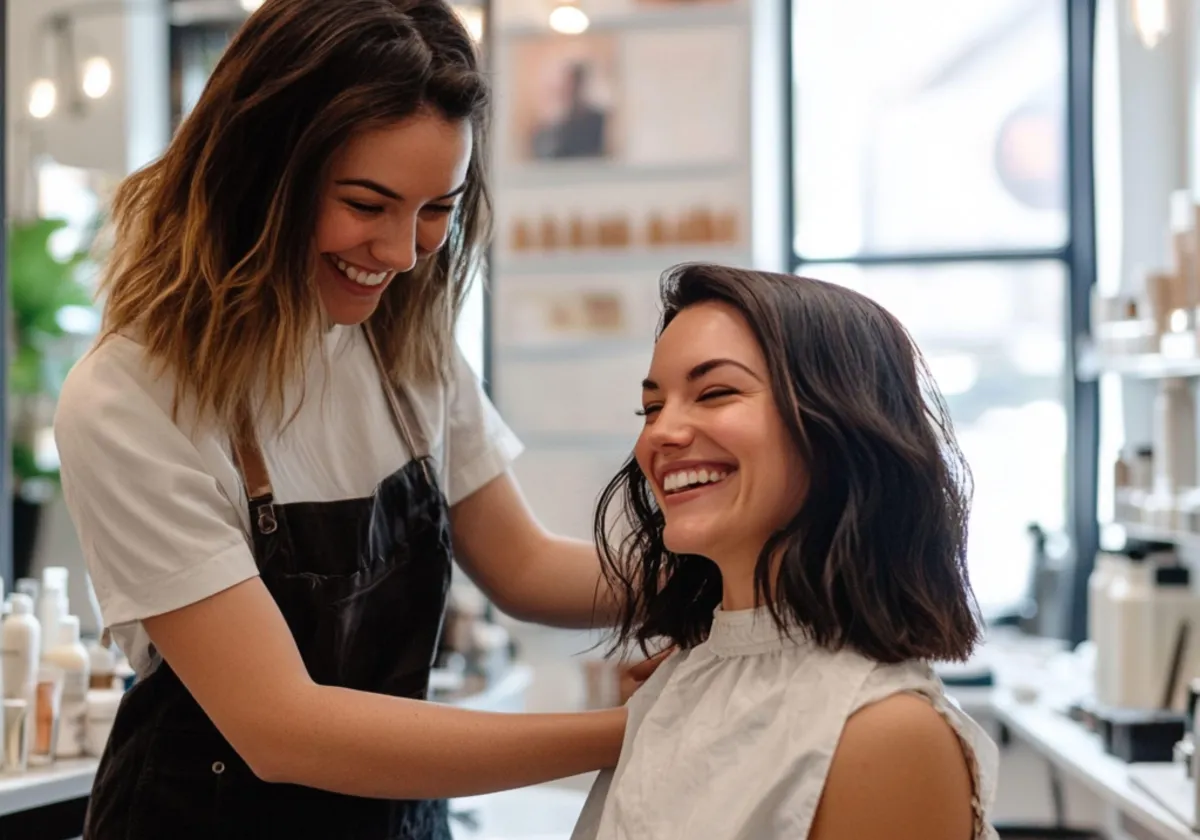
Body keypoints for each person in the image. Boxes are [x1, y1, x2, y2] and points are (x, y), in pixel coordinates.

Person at [52, 1, 660, 837]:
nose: (402, 252)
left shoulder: (404, 345)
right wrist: (630, 735)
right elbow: (283, 728)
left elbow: (522, 567)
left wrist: (729, 582)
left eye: (435, 210)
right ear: (262, 172)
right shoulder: (131, 397)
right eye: (366, 204)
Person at [571, 264, 1000, 840]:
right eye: (651, 408)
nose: (660, 434)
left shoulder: (885, 733)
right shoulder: (684, 677)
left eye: (715, 392)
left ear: (841, 426)